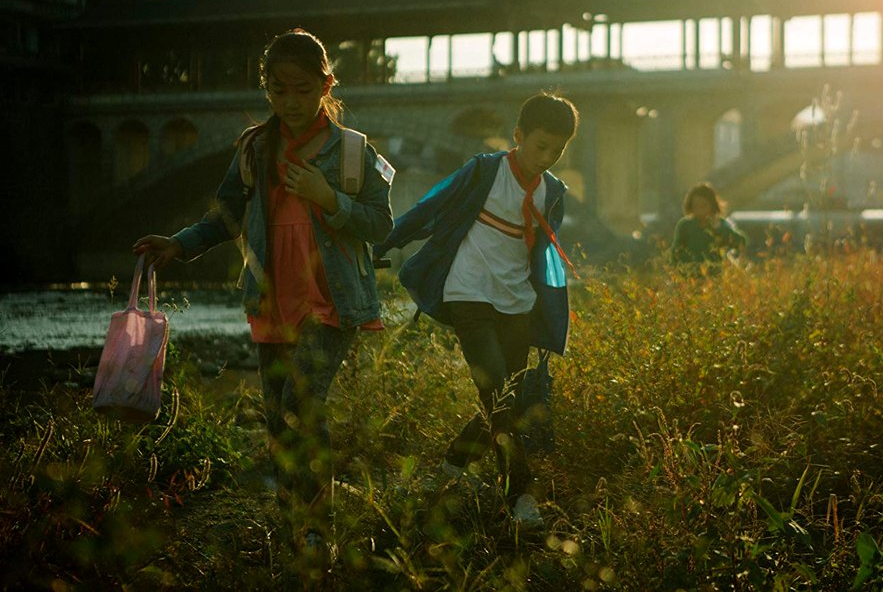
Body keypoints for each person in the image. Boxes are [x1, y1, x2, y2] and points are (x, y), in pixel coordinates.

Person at [132, 28, 394, 549]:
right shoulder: (254, 148)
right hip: (272, 301)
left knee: (303, 403)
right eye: (279, 90)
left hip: (331, 301)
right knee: (278, 419)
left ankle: (319, 530)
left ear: (327, 84)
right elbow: (226, 216)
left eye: (302, 90)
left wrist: (329, 199)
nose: (290, 102)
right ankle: (293, 521)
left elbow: (381, 226)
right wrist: (180, 245)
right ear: (266, 89)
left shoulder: (352, 153)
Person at [374, 92, 579, 529]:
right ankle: (521, 498)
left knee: (509, 399)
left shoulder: (553, 192)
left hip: (516, 303)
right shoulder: (485, 171)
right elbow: (431, 204)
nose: (546, 157)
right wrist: (386, 241)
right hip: (467, 293)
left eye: (557, 151)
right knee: (498, 396)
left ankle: (448, 469)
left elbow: (541, 256)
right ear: (518, 136)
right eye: (540, 146)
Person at [670, 182, 747, 274]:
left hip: (715, 278)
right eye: (695, 206)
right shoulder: (685, 225)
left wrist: (718, 228)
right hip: (690, 277)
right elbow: (675, 252)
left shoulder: (720, 224)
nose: (699, 211)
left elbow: (740, 242)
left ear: (712, 205)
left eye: (703, 206)